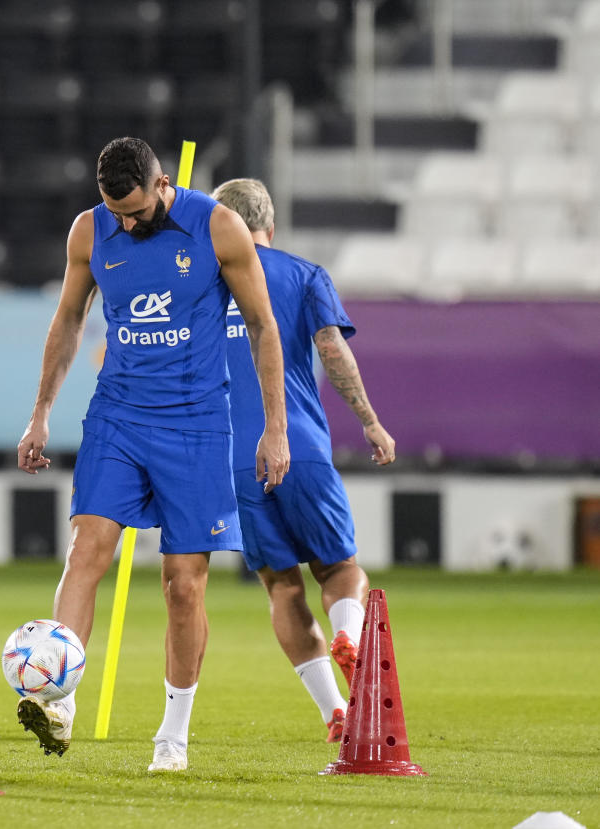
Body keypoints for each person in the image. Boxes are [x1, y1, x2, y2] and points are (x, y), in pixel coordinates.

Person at [16, 138, 290, 772]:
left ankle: (173, 734)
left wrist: (274, 428)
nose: (127, 225)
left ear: (162, 184)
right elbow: (67, 322)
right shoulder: (90, 231)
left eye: (136, 213)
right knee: (86, 551)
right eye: (117, 214)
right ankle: (59, 701)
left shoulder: (218, 228)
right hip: (117, 417)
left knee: (182, 588)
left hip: (195, 426)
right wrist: (40, 415)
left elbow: (262, 325)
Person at [211, 178, 394, 743]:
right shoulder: (303, 275)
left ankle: (334, 709)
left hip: (232, 456)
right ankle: (350, 636)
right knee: (339, 568)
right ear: (271, 223)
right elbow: (333, 350)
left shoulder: (199, 285)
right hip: (299, 443)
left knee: (281, 586)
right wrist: (369, 420)